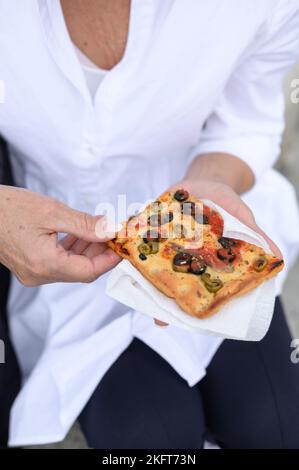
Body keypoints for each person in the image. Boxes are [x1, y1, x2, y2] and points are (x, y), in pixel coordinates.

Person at [0, 0, 299, 448]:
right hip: (51, 236)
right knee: (147, 438)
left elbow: (245, 125)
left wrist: (209, 183)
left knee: (273, 426)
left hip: (199, 217)